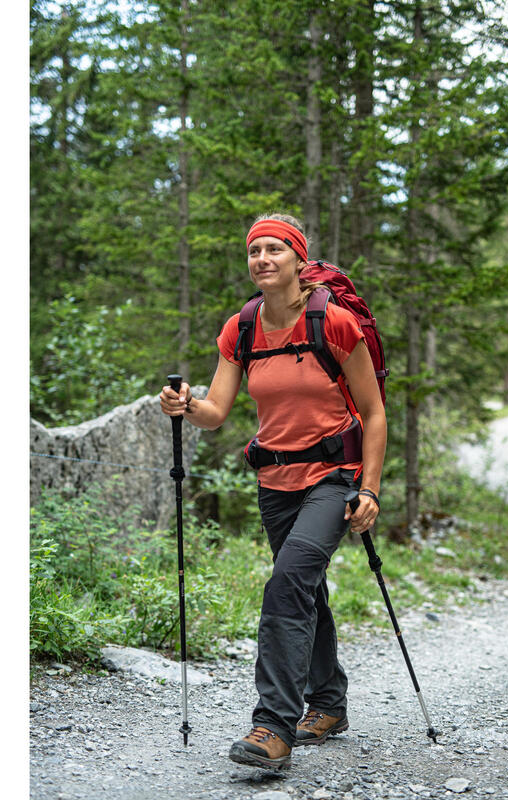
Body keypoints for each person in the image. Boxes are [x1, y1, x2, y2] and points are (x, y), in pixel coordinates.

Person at [159, 213, 387, 769]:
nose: (261, 259)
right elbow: (216, 413)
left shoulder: (333, 324)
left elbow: (375, 413)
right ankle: (329, 702)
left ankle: (272, 727)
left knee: (286, 585)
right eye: (254, 250)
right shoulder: (241, 328)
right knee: (303, 588)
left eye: (273, 250)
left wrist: (371, 490)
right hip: (275, 482)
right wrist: (187, 405)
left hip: (335, 479)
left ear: (296, 259)